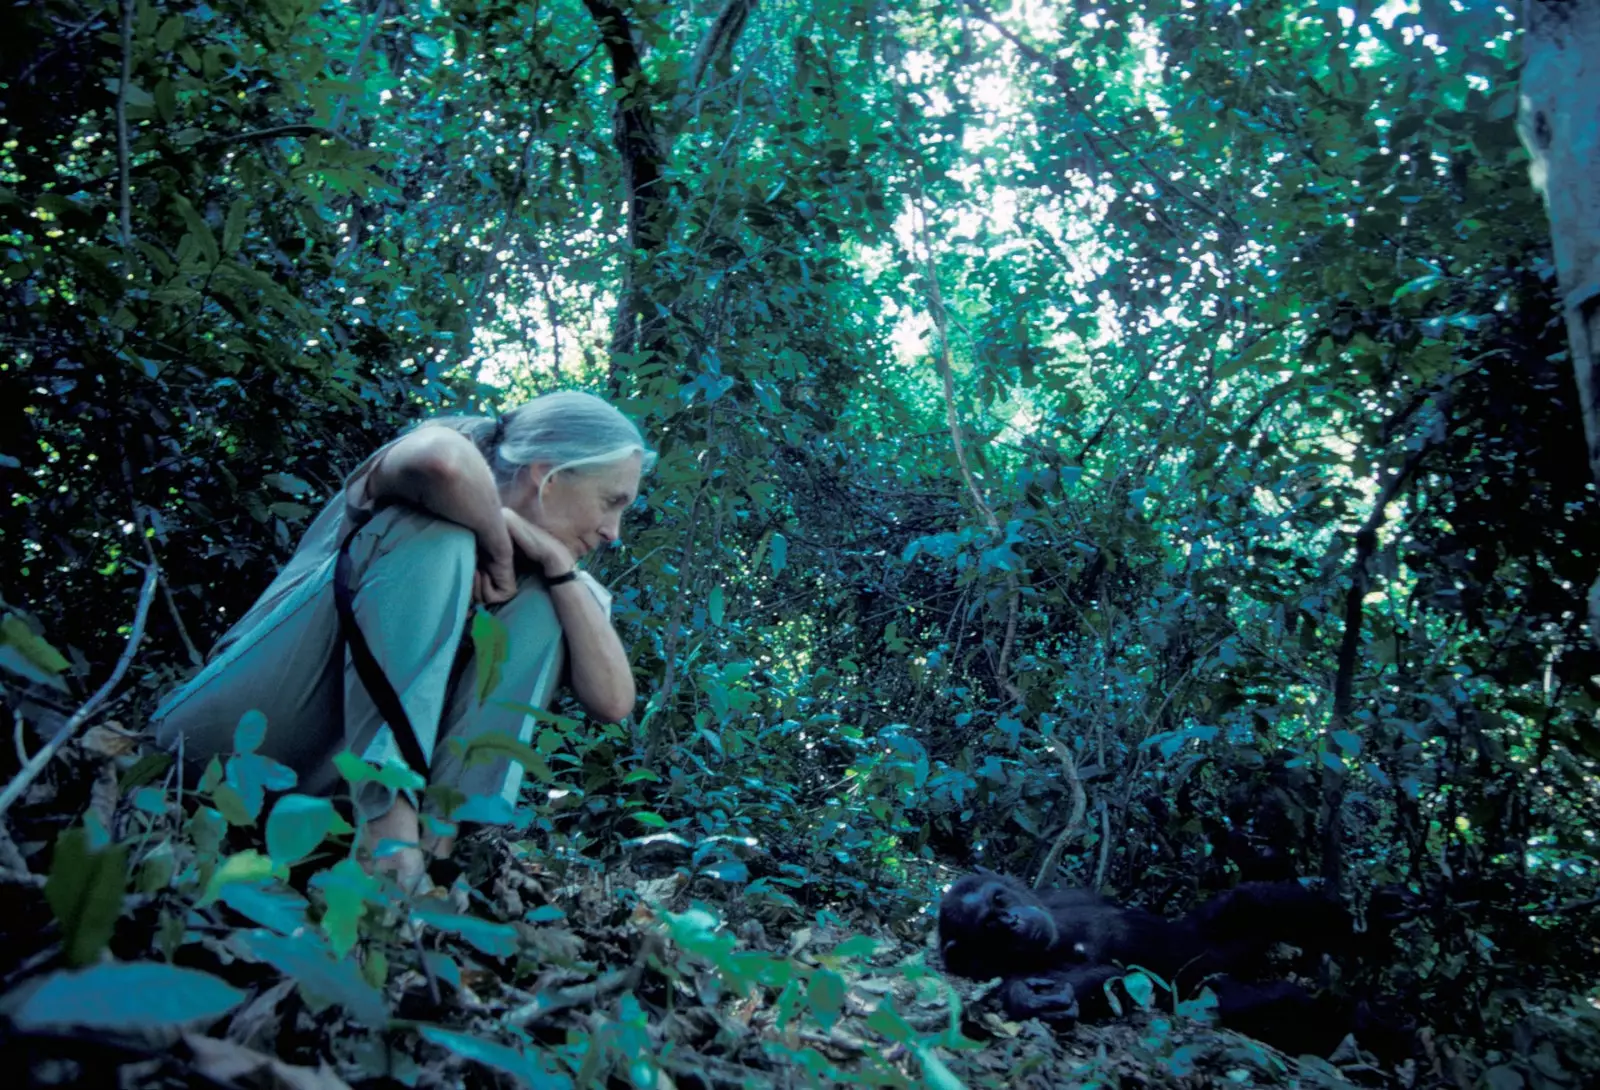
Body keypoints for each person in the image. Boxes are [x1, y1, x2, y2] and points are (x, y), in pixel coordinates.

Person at [153, 390, 654, 883]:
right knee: (443, 535)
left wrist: (560, 567)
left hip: (324, 807)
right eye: (611, 501)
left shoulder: (547, 565)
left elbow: (612, 701)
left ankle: (437, 845)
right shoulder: (447, 450)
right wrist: (496, 543)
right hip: (227, 746)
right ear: (548, 473)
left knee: (553, 600)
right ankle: (388, 837)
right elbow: (443, 465)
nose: (614, 531)